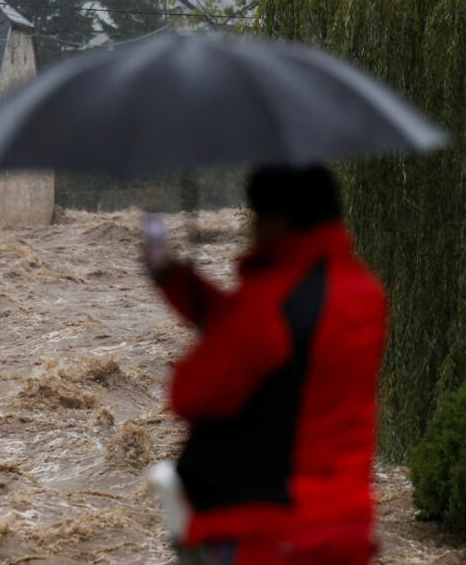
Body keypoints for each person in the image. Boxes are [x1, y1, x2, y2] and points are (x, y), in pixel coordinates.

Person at [145, 165, 388, 565]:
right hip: (346, 526)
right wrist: (177, 283)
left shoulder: (266, 304)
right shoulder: (364, 293)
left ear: (276, 220)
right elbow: (287, 345)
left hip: (267, 532)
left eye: (257, 216)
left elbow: (189, 394)